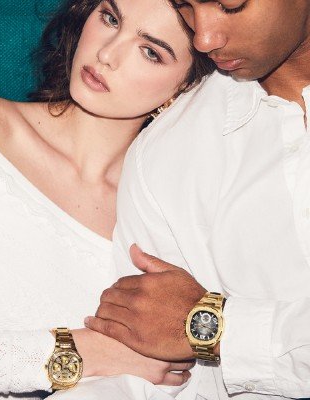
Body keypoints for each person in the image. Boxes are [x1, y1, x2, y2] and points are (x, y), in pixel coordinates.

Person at [0, 0, 214, 399]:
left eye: (150, 51)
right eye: (110, 18)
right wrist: (85, 352)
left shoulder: (159, 225)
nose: (107, 53)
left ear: (186, 87)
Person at [86, 0, 310, 399]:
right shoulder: (163, 154)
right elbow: (163, 376)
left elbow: (187, 330)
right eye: (185, 6)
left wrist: (216, 328)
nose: (204, 38)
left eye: (230, 5)